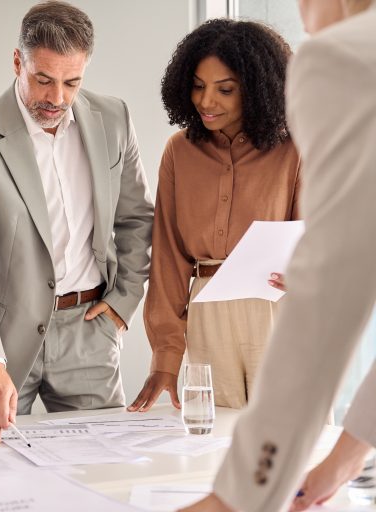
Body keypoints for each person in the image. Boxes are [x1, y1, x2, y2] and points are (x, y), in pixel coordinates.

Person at [181, 0, 376, 510]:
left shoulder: (342, 59)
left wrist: (237, 497)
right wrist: (346, 459)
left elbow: (328, 294)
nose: (303, 18)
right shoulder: (180, 151)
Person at [0, 0, 154, 445]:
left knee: (99, 471)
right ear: (18, 61)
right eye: (43, 80)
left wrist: (123, 304)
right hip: (1, 337)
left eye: (72, 82)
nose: (57, 98)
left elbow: (136, 220)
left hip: (90, 328)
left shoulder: (114, 120)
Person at [129, 19, 301, 412]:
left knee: (285, 445)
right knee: (214, 445)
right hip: (206, 312)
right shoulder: (179, 152)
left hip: (277, 310)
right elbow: (169, 263)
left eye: (225, 89)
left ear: (258, 89)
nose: (207, 102)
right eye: (198, 86)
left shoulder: (296, 148)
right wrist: (166, 359)